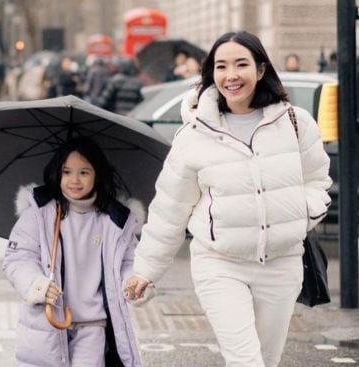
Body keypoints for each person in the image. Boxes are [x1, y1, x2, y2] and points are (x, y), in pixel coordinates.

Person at [126, 31, 331, 367]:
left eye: (241, 64)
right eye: (221, 66)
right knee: (245, 361)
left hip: (282, 264)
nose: (231, 75)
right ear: (211, 74)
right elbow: (169, 209)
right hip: (219, 264)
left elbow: (317, 180)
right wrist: (146, 269)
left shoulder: (296, 123)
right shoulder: (193, 136)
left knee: (266, 358)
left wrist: (302, 215)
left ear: (261, 70)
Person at [3, 137, 145, 366]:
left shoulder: (116, 220)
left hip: (92, 326)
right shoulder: (39, 213)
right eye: (67, 172)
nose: (74, 180)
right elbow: (18, 258)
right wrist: (35, 284)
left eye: (84, 172)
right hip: (46, 322)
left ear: (97, 174)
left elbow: (128, 262)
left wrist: (133, 281)